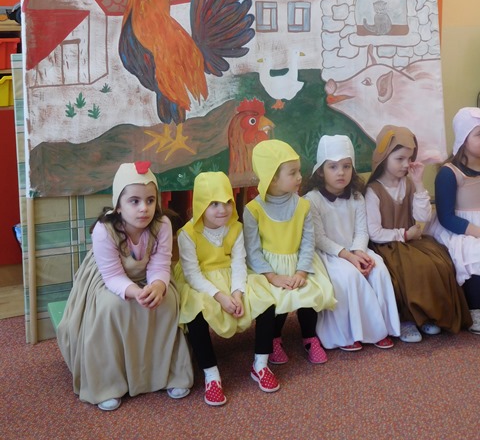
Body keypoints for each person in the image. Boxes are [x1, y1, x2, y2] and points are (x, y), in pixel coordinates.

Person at [57, 161, 193, 411]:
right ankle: (107, 383)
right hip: (109, 279)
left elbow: (160, 264)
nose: (144, 208)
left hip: (148, 276)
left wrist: (157, 286)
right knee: (112, 307)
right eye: (134, 201)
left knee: (167, 303)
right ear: (118, 205)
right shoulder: (104, 230)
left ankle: (168, 374)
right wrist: (135, 292)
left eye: (150, 200)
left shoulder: (162, 224)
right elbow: (112, 275)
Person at [174, 171, 278, 407]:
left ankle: (261, 364)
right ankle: (211, 374)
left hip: (232, 277)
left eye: (227, 202)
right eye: (214, 204)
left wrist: (237, 293)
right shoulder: (187, 234)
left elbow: (239, 263)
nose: (223, 210)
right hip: (201, 282)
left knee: (265, 300)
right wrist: (220, 297)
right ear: (201, 205)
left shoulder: (236, 228)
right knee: (195, 311)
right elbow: (192, 274)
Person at [365, 126, 471, 343]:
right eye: (400, 159)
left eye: (409, 158)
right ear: (384, 158)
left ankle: (430, 316)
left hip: (413, 241)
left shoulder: (408, 184)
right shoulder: (373, 191)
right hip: (388, 244)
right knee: (409, 269)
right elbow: (374, 232)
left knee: (439, 262)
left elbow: (422, 215)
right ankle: (407, 319)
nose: (406, 164)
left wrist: (419, 183)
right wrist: (404, 234)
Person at [243, 139, 336, 366]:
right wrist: (272, 276)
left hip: (299, 263)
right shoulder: (253, 210)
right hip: (267, 269)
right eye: (292, 173)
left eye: (299, 171)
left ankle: (310, 337)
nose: (300, 177)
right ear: (272, 177)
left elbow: (308, 242)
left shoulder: (303, 205)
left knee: (308, 294)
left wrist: (302, 272)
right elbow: (253, 251)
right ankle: (274, 338)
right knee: (276, 299)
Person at [303, 135, 400, 351]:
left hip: (357, 248)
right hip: (331, 255)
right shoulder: (312, 200)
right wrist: (348, 256)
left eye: (346, 166)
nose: (341, 172)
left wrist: (359, 252)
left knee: (379, 271)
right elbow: (319, 238)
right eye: (333, 167)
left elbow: (362, 230)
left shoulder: (356, 197)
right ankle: (348, 333)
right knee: (349, 277)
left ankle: (380, 329)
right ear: (321, 171)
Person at [425, 107, 480, 333]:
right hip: (458, 227)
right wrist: (476, 231)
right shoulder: (449, 174)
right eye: (479, 134)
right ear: (464, 138)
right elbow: (446, 217)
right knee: (474, 252)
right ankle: (475, 311)